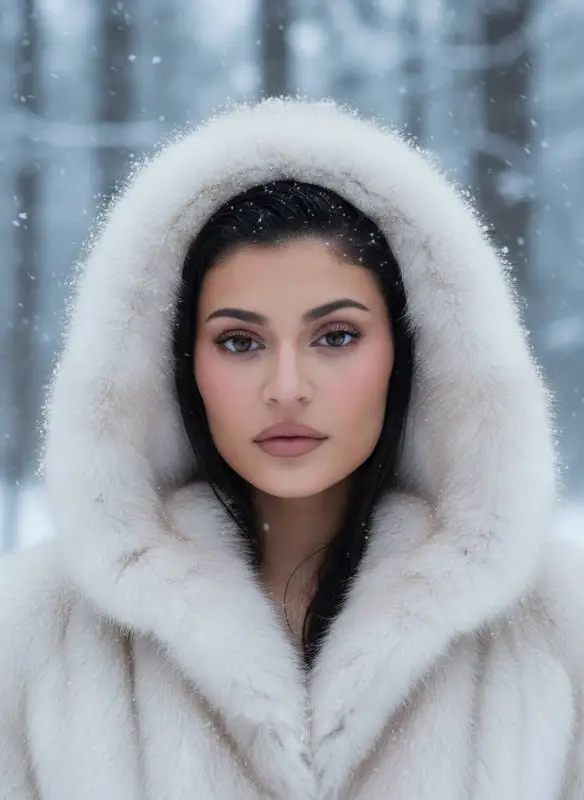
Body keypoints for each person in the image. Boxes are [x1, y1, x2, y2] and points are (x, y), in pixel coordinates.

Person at [0, 98, 583, 800]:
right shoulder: (31, 641)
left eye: (335, 336)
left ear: (410, 351)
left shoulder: (558, 630)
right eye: (239, 341)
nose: (285, 387)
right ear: (182, 363)